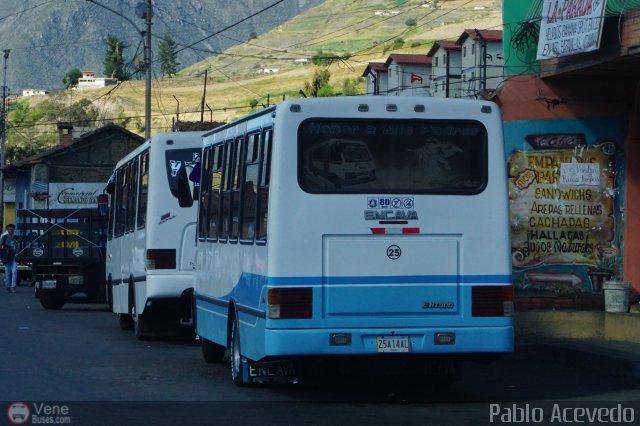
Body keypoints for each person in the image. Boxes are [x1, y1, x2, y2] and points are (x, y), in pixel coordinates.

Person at [1, 224, 18, 293]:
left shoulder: (16, 237)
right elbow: (0, 246)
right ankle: (7, 287)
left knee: (14, 271)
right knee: (7, 272)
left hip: (14, 256)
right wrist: (2, 256)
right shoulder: (4, 237)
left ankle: (13, 286)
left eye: (12, 229)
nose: (10, 230)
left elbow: (17, 247)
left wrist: (16, 245)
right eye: (9, 229)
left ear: (14, 230)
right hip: (7, 256)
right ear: (7, 230)